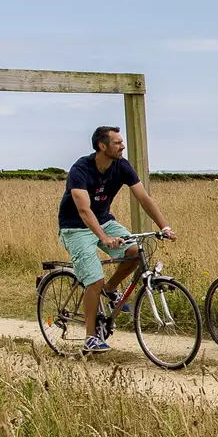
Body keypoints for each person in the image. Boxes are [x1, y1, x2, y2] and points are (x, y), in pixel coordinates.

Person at [58, 125, 176, 353]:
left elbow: (144, 198)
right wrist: (104, 238)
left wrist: (164, 227)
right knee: (94, 281)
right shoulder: (80, 169)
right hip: (75, 227)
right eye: (117, 143)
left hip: (105, 221)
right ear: (102, 146)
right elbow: (83, 210)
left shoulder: (121, 166)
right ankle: (91, 337)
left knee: (135, 252)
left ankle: (111, 288)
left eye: (122, 142)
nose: (123, 146)